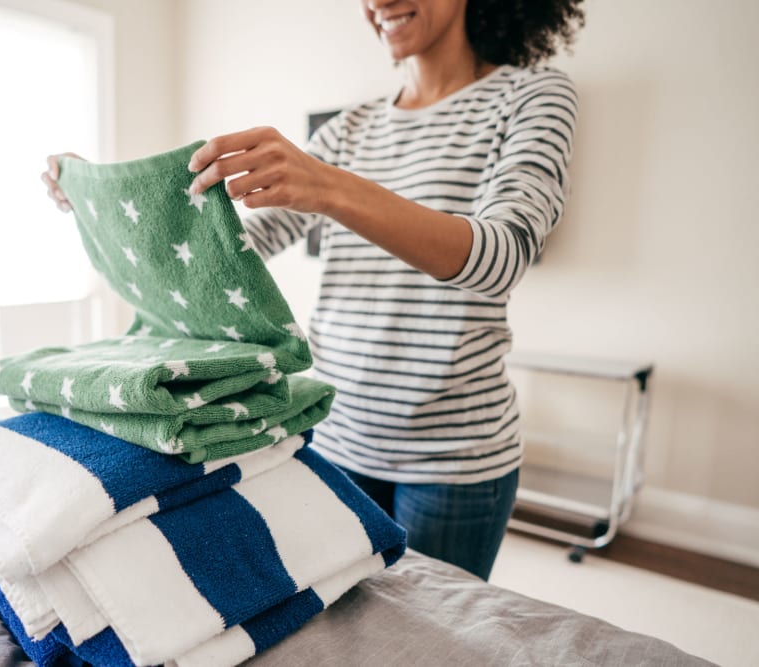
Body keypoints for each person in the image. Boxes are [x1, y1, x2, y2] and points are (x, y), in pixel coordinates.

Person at [42, 0, 585, 581]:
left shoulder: (533, 96)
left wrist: (330, 187)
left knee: (432, 626)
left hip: (454, 459)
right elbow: (228, 254)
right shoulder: (350, 129)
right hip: (337, 433)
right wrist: (102, 203)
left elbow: (502, 255)